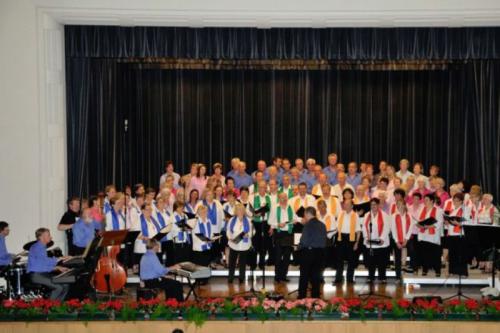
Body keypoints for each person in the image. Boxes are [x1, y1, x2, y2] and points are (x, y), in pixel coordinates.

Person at [27, 228, 70, 301]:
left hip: (42, 274)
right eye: (48, 235)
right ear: (41, 237)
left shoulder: (41, 247)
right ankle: (48, 308)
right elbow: (41, 265)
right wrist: (57, 266)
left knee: (66, 285)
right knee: (58, 287)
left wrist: (59, 261)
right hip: (37, 275)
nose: (51, 237)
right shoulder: (37, 247)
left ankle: (57, 306)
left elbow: (45, 262)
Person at [268, 192, 300, 283]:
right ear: (279, 198)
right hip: (279, 234)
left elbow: (295, 218)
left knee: (287, 256)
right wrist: (278, 224)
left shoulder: (290, 207)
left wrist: (295, 221)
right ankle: (277, 276)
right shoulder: (274, 208)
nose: (284, 199)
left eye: (285, 197)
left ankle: (283, 276)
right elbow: (270, 222)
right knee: (278, 256)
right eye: (282, 197)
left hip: (289, 234)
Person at [297, 207, 326, 299]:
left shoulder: (308, 225)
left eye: (305, 215)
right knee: (316, 276)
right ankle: (315, 298)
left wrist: (298, 246)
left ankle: (302, 297)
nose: (304, 216)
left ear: (308, 214)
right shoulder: (322, 225)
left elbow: (304, 241)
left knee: (304, 276)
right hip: (320, 253)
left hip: (308, 253)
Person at [362, 198, 391, 283]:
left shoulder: (385, 215)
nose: (373, 206)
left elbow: (387, 228)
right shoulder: (367, 215)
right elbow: (364, 227)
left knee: (382, 261)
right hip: (370, 242)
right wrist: (366, 237)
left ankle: (382, 277)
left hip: (382, 242)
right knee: (371, 262)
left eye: (375, 204)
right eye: (371, 205)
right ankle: (371, 277)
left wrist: (382, 238)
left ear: (378, 205)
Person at [416, 193, 444, 277]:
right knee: (424, 254)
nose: (425, 202)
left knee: (435, 254)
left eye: (426, 200)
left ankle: (437, 271)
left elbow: (439, 223)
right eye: (424, 200)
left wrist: (427, 226)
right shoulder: (421, 209)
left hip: (433, 236)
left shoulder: (438, 210)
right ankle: (425, 269)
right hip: (423, 235)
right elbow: (418, 221)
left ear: (432, 201)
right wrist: (419, 224)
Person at [334, 199, 361, 283]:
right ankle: (338, 278)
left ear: (352, 206)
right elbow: (336, 227)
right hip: (341, 238)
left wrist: (357, 242)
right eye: (344, 204)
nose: (345, 205)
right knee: (339, 259)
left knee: (351, 260)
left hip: (351, 239)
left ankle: (350, 278)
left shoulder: (355, 215)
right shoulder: (341, 214)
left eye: (347, 204)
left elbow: (358, 230)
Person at [226, 203, 254, 284]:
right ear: (236, 211)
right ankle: (230, 277)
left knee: (242, 262)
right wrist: (229, 237)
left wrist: (248, 234)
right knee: (232, 262)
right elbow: (228, 230)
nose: (240, 211)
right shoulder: (232, 220)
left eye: (241, 210)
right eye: (238, 210)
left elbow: (252, 231)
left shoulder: (248, 220)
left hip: (244, 244)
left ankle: (241, 278)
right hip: (234, 243)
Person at [445, 192, 471, 277]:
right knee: (452, 253)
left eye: (457, 201)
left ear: (461, 201)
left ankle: (462, 272)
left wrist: (458, 223)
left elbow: (468, 222)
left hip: (460, 234)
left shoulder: (465, 209)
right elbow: (449, 222)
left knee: (461, 254)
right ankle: (452, 271)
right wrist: (447, 221)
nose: (455, 202)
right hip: (452, 234)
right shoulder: (452, 210)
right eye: (454, 201)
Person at [250, 180, 272, 269]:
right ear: (258, 188)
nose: (262, 189)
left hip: (266, 222)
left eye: (264, 187)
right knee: (255, 243)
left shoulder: (269, 198)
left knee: (264, 244)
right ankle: (253, 264)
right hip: (256, 222)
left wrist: (271, 226)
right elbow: (248, 210)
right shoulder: (253, 197)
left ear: (266, 188)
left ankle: (262, 263)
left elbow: (272, 212)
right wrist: (254, 214)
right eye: (260, 187)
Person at [390, 200, 413, 282]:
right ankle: (398, 276)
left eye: (401, 204)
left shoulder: (409, 215)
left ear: (404, 205)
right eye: (398, 204)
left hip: (407, 239)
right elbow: (393, 229)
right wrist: (396, 241)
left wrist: (406, 239)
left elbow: (410, 228)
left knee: (413, 252)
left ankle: (413, 271)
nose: (399, 206)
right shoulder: (393, 216)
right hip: (397, 240)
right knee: (397, 259)